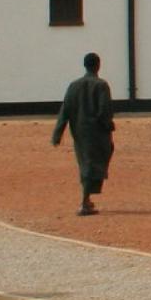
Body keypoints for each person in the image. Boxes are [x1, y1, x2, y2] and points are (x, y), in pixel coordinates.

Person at [51, 52, 115, 216]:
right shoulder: (101, 85)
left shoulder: (74, 86)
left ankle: (87, 199)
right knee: (95, 162)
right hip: (98, 132)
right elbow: (104, 111)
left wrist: (57, 134)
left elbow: (64, 111)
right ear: (98, 65)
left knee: (85, 162)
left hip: (79, 132)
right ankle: (85, 202)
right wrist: (109, 125)